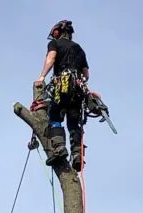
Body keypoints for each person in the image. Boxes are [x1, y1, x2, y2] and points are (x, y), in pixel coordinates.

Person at [34, 20, 90, 170]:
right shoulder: (79, 49)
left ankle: (59, 148)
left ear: (57, 33)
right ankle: (77, 154)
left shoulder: (55, 44)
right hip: (77, 91)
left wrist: (42, 77)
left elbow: (51, 58)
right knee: (73, 122)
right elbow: (86, 74)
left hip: (61, 86)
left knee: (55, 117)